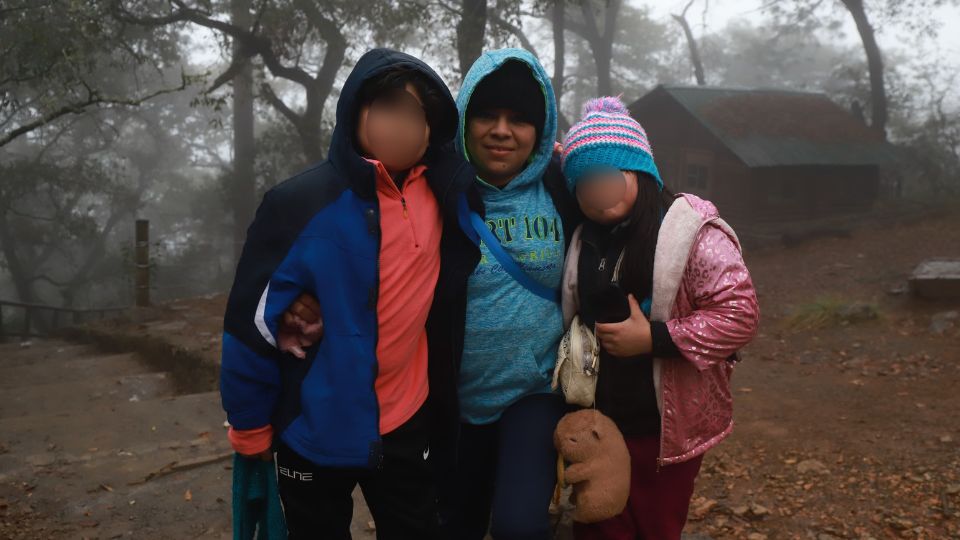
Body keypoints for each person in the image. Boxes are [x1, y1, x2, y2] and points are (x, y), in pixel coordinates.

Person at [281, 48, 583, 540]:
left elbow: (620, 211)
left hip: (534, 390)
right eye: (487, 114)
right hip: (447, 400)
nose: (502, 130)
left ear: (541, 127)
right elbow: (364, 236)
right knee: (452, 525)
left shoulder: (560, 185)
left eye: (520, 119)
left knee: (519, 526)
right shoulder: (433, 184)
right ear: (464, 119)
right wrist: (305, 300)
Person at [219, 48, 475, 540]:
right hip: (315, 426)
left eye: (416, 111)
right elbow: (247, 323)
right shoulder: (298, 204)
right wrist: (249, 424)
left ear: (431, 129)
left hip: (405, 418)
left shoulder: (443, 189)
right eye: (388, 105)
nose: (402, 122)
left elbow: (510, 161)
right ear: (356, 108)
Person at [558, 96, 761, 540]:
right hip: (601, 420)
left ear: (641, 172)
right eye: (584, 181)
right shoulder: (584, 239)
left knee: (654, 525)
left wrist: (653, 337)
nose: (597, 188)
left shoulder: (692, 234)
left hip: (664, 425)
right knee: (598, 523)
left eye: (610, 174)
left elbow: (740, 314)